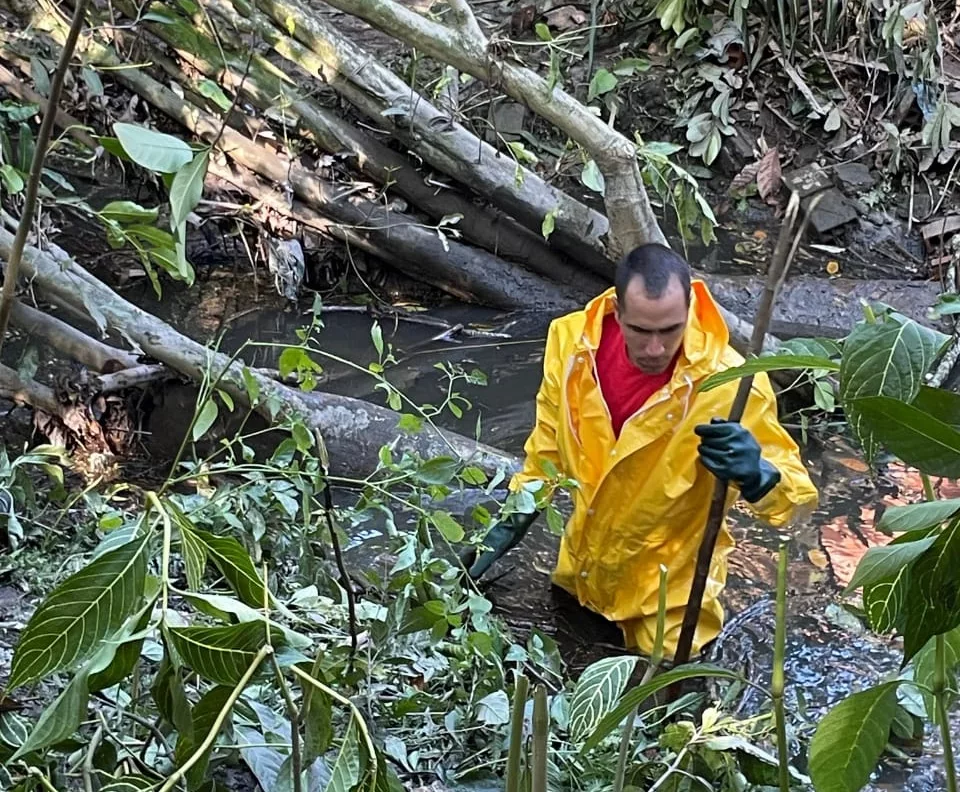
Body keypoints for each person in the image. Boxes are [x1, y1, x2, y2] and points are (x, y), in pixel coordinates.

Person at [463, 244, 818, 660]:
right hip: (580, 575)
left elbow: (799, 507)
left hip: (668, 608)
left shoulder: (730, 386)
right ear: (616, 309)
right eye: (640, 331)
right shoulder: (571, 346)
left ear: (690, 308)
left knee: (663, 710)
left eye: (670, 330)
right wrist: (505, 528)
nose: (655, 349)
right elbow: (546, 452)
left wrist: (759, 475)